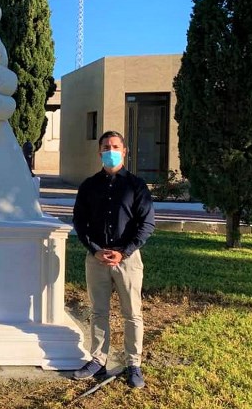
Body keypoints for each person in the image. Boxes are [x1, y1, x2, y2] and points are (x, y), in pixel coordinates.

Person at [71, 130, 155, 388]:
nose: (110, 150)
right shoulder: (88, 186)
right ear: (99, 152)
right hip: (97, 258)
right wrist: (95, 249)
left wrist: (124, 251)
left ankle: (133, 364)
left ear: (124, 151)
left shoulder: (136, 186)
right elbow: (79, 222)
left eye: (115, 146)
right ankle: (98, 360)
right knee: (99, 312)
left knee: (132, 313)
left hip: (127, 259)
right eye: (106, 146)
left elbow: (147, 223)